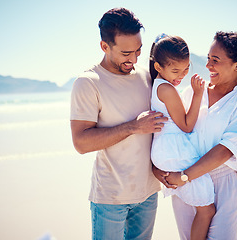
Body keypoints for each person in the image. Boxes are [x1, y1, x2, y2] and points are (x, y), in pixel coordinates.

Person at [153, 31, 237, 240]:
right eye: (207, 59)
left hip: (221, 180)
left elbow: (226, 149)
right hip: (184, 181)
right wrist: (158, 168)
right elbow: (169, 132)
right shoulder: (193, 92)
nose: (208, 66)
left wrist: (185, 175)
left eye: (215, 60)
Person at [70, 8, 167, 240]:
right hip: (110, 198)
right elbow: (81, 143)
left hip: (149, 193)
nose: (133, 59)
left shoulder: (147, 76)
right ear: (104, 46)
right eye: (126, 53)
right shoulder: (88, 83)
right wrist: (133, 127)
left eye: (138, 51)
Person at [149, 34, 215, 240]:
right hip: (174, 153)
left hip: (167, 151)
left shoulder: (159, 84)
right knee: (207, 210)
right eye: (175, 70)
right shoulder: (167, 89)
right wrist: (197, 93)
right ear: (159, 67)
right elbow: (186, 126)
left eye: (186, 69)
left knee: (202, 208)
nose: (182, 75)